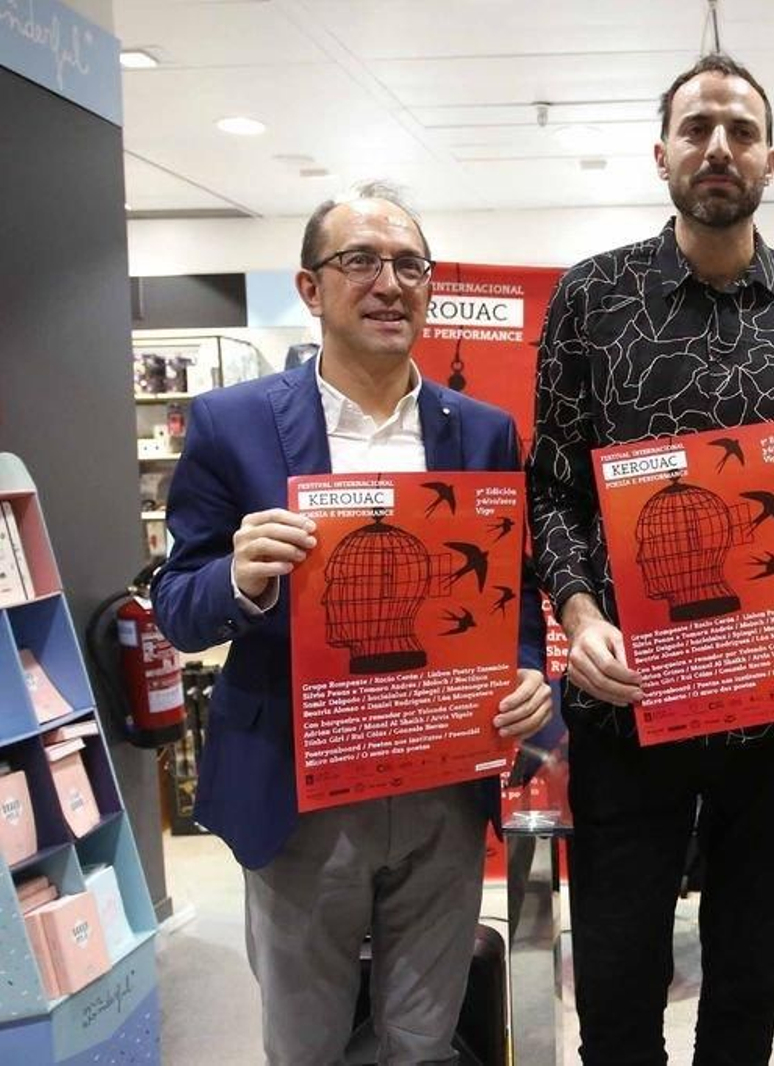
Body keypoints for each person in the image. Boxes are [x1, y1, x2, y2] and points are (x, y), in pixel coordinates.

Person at [153, 181, 552, 1064]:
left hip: (442, 783)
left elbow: (512, 591)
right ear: (311, 287)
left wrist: (529, 668)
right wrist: (238, 578)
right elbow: (177, 607)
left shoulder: (482, 432)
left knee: (422, 1039)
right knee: (306, 1043)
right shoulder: (232, 424)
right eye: (361, 261)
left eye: (410, 265)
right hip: (298, 792)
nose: (389, 283)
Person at [527, 54, 774, 1066]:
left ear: (770, 158)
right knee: (617, 976)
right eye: (696, 129)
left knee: (748, 972)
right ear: (661, 153)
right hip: (626, 695)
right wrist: (580, 615)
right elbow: (551, 489)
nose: (718, 147)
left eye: (740, 130)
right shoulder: (592, 296)